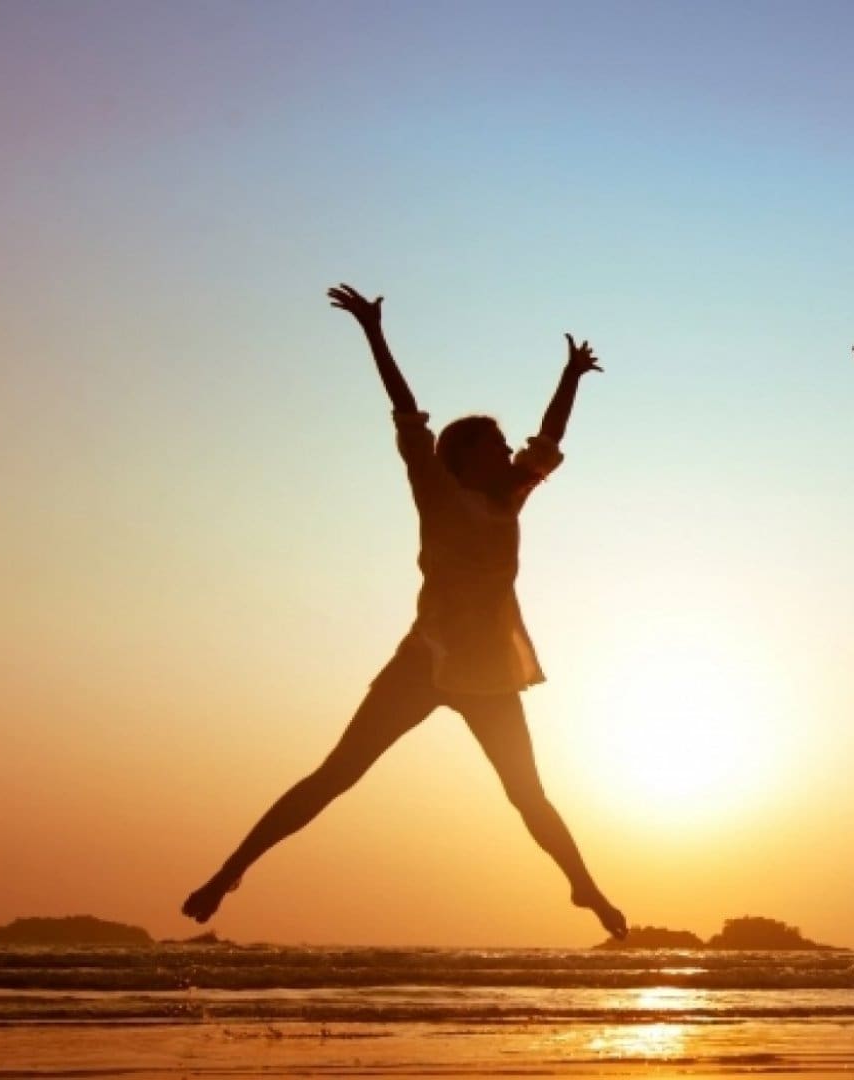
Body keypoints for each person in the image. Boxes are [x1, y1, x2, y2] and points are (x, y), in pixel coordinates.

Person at [181, 284, 626, 940]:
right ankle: (229, 872)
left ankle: (584, 888)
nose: (507, 453)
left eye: (505, 447)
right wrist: (373, 331)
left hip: (490, 673)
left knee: (526, 794)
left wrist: (569, 378)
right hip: (425, 660)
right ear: (462, 457)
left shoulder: (510, 500)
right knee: (337, 774)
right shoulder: (437, 492)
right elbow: (406, 411)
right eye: (494, 445)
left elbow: (547, 439)